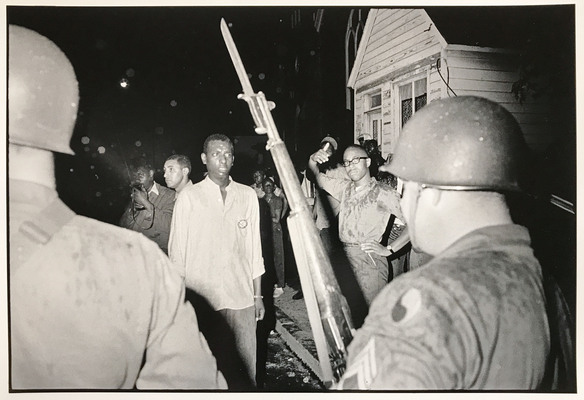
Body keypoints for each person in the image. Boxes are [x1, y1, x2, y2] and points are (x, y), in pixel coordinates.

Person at [7, 24, 226, 390]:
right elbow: (124, 231)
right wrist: (135, 212)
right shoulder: (131, 251)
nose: (142, 176)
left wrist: (149, 209)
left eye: (153, 170)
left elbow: (171, 230)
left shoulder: (172, 199)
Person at [336, 96, 571, 390]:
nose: (403, 202)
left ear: (428, 190)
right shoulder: (549, 289)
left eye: (402, 188)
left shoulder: (428, 298)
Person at [168, 134, 265, 389]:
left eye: (227, 154)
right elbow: (177, 253)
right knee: (204, 372)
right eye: (216, 153)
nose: (223, 159)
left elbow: (254, 248)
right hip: (204, 299)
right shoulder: (189, 198)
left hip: (241, 297)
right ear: (204, 159)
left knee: (245, 370)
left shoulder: (247, 196)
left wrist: (258, 296)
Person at [308, 143, 410, 321]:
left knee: (371, 320)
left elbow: (414, 223)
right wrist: (312, 160)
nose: (350, 166)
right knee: (348, 319)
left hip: (369, 263)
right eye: (346, 162)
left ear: (368, 162)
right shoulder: (345, 188)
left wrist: (389, 249)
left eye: (355, 160)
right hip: (345, 261)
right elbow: (316, 175)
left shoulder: (383, 192)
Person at [119, 158, 175, 254]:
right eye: (135, 175)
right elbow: (122, 226)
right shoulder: (136, 195)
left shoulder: (169, 195)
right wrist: (133, 211)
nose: (137, 178)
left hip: (156, 255)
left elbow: (170, 226)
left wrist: (146, 203)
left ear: (151, 174)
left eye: (140, 174)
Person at [261, 178, 286, 298]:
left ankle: (280, 285)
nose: (268, 188)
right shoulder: (261, 201)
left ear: (274, 186)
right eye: (266, 186)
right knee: (266, 258)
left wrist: (264, 218)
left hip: (275, 231)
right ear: (262, 188)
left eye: (270, 185)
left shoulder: (277, 200)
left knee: (278, 257)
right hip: (265, 232)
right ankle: (271, 283)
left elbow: (276, 219)